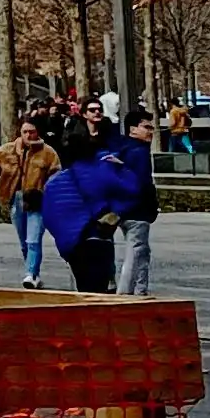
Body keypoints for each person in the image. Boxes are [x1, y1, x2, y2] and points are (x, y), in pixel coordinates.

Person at [41, 132, 135, 294]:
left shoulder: (54, 183)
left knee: (83, 288)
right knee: (99, 289)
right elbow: (132, 189)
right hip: (96, 236)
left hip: (71, 244)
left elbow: (48, 218)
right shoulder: (99, 172)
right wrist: (121, 167)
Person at [0, 116, 60, 286]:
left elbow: (56, 173)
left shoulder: (48, 152)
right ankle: (33, 270)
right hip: (16, 198)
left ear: (38, 133)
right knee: (24, 241)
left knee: (33, 239)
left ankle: (31, 274)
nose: (28, 135)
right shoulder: (10, 149)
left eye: (32, 132)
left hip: (37, 199)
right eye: (25, 132)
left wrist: (46, 191)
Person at [116, 104, 161, 298]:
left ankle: (140, 290)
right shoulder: (138, 152)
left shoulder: (123, 149)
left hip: (124, 208)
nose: (150, 131)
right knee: (136, 250)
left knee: (142, 250)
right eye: (146, 127)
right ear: (133, 129)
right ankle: (125, 293)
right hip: (137, 208)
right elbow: (143, 182)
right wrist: (151, 205)